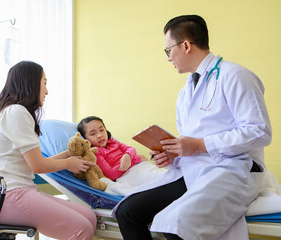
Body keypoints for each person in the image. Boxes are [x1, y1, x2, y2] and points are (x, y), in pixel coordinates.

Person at [113, 15, 272, 240]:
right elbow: (189, 141)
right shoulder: (185, 92)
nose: (168, 58)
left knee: (174, 224)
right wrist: (172, 155)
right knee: (127, 212)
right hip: (192, 169)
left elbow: (259, 132)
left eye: (168, 51)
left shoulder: (235, 75)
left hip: (231, 168)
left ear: (186, 45)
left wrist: (199, 145)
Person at [0, 61, 97, 240]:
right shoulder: (17, 112)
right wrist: (69, 163)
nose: (47, 90)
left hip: (13, 193)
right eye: (44, 82)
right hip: (4, 197)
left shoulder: (14, 112)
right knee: (81, 228)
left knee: (90, 217)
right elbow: (38, 166)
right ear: (31, 82)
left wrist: (70, 155)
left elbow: (37, 161)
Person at [78, 116, 166, 196]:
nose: (100, 135)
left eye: (102, 130)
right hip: (126, 175)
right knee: (159, 178)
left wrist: (127, 156)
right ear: (85, 139)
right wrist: (137, 159)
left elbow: (131, 149)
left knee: (164, 173)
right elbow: (111, 174)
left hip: (139, 167)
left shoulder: (113, 142)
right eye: (93, 134)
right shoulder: (96, 152)